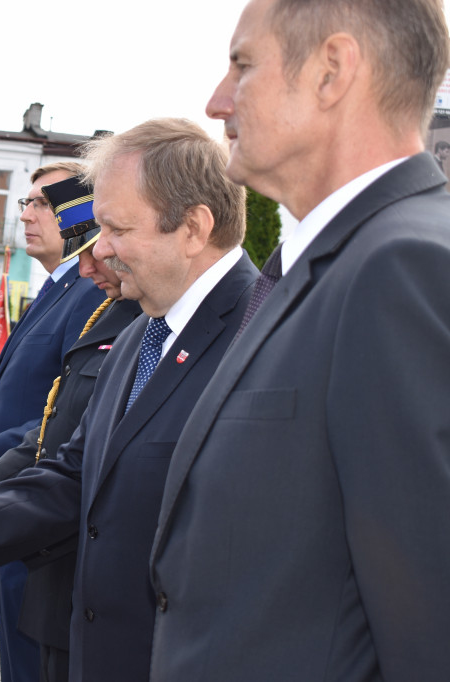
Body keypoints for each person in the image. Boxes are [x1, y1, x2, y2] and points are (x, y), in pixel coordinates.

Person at [145, 2, 450, 681]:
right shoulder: (327, 264)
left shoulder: (402, 270)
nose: (217, 100)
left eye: (243, 65)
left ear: (332, 71)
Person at [0, 117, 257, 682]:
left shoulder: (268, 336)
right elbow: (72, 476)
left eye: (114, 229)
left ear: (192, 228)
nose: (100, 252)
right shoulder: (143, 331)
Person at [0, 173, 143, 682]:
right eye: (25, 202)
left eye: (41, 203)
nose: (25, 214)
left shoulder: (96, 293)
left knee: (34, 660)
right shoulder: (59, 288)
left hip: (45, 510)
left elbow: (80, 409)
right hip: (18, 494)